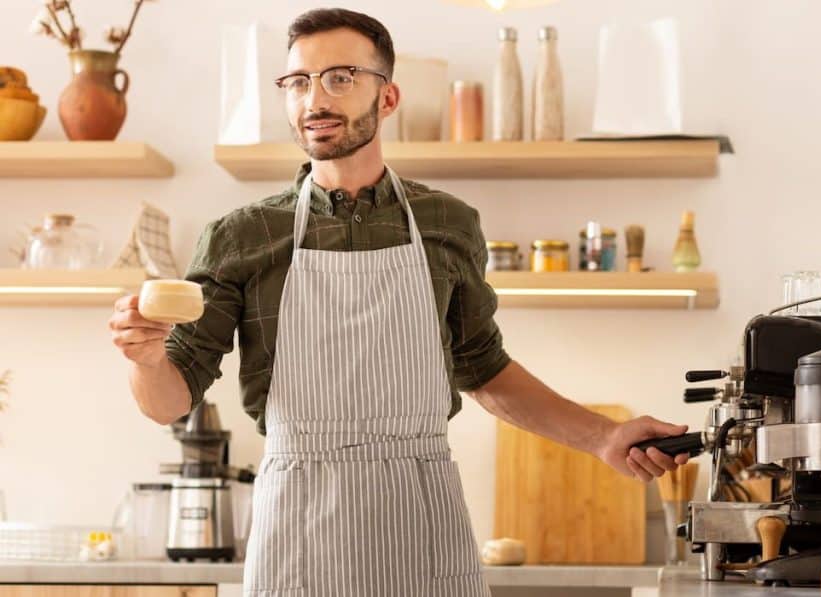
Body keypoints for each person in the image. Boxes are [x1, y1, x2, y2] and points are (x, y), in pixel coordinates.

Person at [108, 8, 689, 596]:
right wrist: (145, 357)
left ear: (387, 99)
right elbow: (167, 401)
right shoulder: (241, 236)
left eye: (339, 77)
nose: (315, 99)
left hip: (421, 518)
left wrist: (603, 437)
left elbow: (484, 369)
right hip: (300, 529)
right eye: (298, 82)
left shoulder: (447, 224)